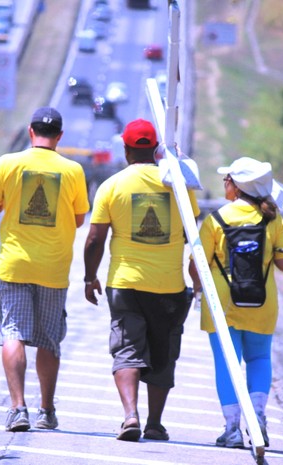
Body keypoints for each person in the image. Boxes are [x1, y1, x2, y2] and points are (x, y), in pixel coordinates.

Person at [83, 119, 200, 442]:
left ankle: (130, 415)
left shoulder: (112, 186)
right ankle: (154, 423)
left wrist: (89, 277)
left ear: (126, 150)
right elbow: (194, 230)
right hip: (169, 287)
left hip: (125, 285)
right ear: (155, 149)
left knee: (126, 350)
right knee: (163, 353)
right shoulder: (178, 185)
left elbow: (94, 239)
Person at [0, 106, 90, 432]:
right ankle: (47, 409)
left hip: (14, 265)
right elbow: (79, 217)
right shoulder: (73, 170)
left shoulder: (7, 163)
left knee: (13, 332)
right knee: (48, 341)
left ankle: (18, 408)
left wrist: (9, 201)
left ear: (30, 131)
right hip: (53, 269)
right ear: (60, 136)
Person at [196, 156, 283, 449]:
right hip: (261, 302)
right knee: (259, 359)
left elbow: (198, 265)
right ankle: (258, 419)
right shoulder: (274, 218)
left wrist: (193, 289)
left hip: (222, 304)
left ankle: (232, 429)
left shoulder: (216, 219)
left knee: (227, 364)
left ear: (237, 187)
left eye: (227, 179)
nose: (224, 184)